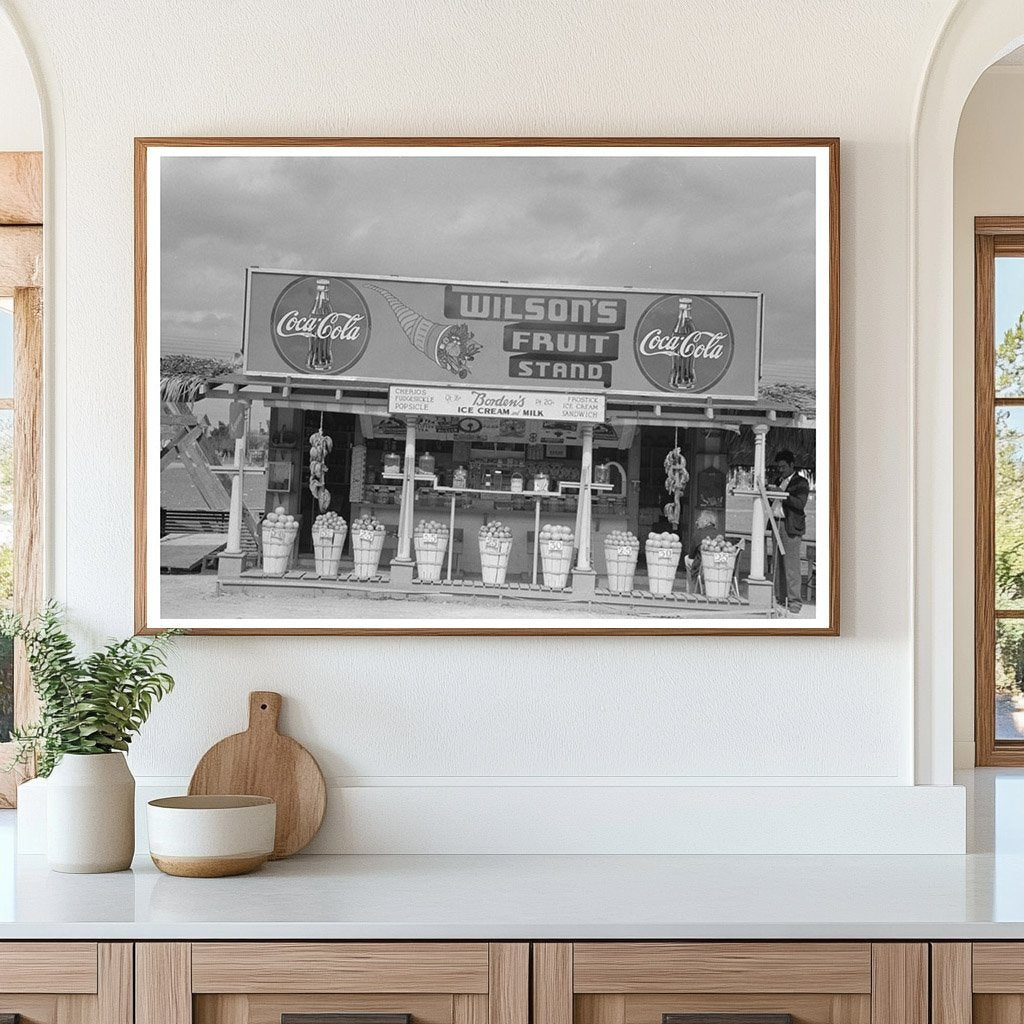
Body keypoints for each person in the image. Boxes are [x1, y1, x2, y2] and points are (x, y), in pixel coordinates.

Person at [772, 450, 810, 615]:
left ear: (791, 465)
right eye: (778, 467)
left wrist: (783, 495)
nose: (780, 470)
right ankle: (781, 597)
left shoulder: (801, 482)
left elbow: (800, 503)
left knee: (791, 565)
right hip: (776, 524)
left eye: (783, 467)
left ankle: (795, 601)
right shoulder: (778, 480)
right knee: (778, 563)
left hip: (791, 527)